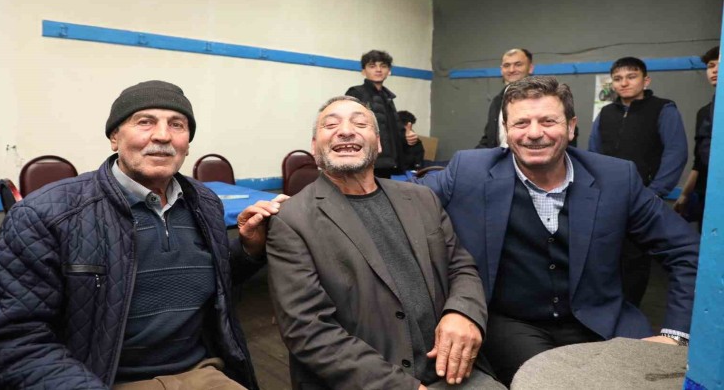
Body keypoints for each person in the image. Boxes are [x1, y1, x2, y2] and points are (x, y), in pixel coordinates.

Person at [0, 80, 285, 389]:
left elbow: (209, 285)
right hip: (99, 379)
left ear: (187, 144)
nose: (162, 135)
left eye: (177, 124)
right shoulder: (44, 215)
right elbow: (9, 343)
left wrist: (248, 249)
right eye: (145, 121)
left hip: (203, 373)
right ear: (114, 137)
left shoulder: (205, 203)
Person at [416, 76, 699, 387]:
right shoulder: (469, 171)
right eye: (521, 123)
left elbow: (687, 250)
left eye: (548, 121)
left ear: (571, 126)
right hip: (513, 324)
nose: (534, 133)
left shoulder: (617, 179)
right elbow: (404, 201)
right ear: (506, 130)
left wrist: (676, 334)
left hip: (603, 320)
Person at [265, 96, 503, 389]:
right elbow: (308, 331)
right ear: (314, 147)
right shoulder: (292, 219)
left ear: (378, 143)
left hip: (453, 371)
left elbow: (461, 267)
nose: (346, 131)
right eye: (331, 125)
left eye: (360, 123)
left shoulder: (422, 199)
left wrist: (463, 311)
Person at [588, 57, 688, 306]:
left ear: (646, 80)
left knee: (635, 259)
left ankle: (630, 311)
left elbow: (676, 153)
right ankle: (605, 309)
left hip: (643, 198)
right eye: (618, 78)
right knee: (605, 256)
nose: (624, 83)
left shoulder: (664, 109)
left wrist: (655, 192)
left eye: (631, 77)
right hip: (607, 199)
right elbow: (593, 154)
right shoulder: (606, 113)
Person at [346, 50, 419, 177]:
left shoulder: (387, 97)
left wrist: (406, 137)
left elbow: (390, 131)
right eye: (372, 66)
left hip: (387, 164)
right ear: (363, 71)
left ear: (389, 71)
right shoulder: (356, 93)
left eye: (383, 66)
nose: (378, 70)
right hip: (365, 163)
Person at [674, 46, 719, 226]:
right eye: (710, 66)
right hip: (707, 194)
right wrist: (685, 194)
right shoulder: (705, 112)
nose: (715, 70)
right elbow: (699, 160)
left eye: (721, 65)